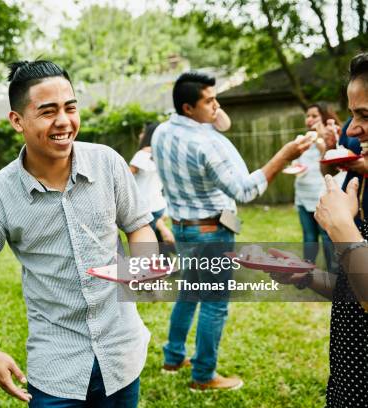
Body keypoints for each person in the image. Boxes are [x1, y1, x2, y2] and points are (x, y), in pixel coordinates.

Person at [0, 60, 157, 407]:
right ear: (17, 120)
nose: (63, 121)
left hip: (121, 352)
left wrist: (143, 264)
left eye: (70, 108)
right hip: (56, 367)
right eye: (48, 111)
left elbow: (138, 225)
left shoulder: (108, 163)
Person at [152, 71, 311, 391]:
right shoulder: (208, 143)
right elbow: (245, 190)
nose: (217, 105)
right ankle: (203, 376)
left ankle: (173, 357)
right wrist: (283, 156)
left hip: (182, 230)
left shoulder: (161, 132)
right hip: (212, 232)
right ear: (188, 108)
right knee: (214, 302)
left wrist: (210, 110)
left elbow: (219, 120)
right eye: (209, 100)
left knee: (188, 292)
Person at [271, 53, 368, 408]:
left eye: (364, 116)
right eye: (352, 114)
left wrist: (343, 230)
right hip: (347, 382)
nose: (351, 130)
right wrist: (308, 275)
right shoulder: (364, 187)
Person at [293, 102, 340, 271]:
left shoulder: (331, 140)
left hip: (320, 197)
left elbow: (332, 168)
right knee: (309, 237)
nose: (309, 119)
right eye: (308, 116)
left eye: (314, 116)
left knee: (326, 237)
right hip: (302, 196)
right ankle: (306, 272)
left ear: (324, 118)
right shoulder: (301, 140)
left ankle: (333, 274)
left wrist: (323, 144)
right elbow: (296, 164)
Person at [129, 122, 175, 246]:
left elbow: (125, 177)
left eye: (143, 132)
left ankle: (166, 232)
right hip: (159, 205)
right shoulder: (164, 154)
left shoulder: (142, 154)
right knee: (160, 249)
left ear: (149, 135)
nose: (140, 134)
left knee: (147, 251)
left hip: (145, 208)